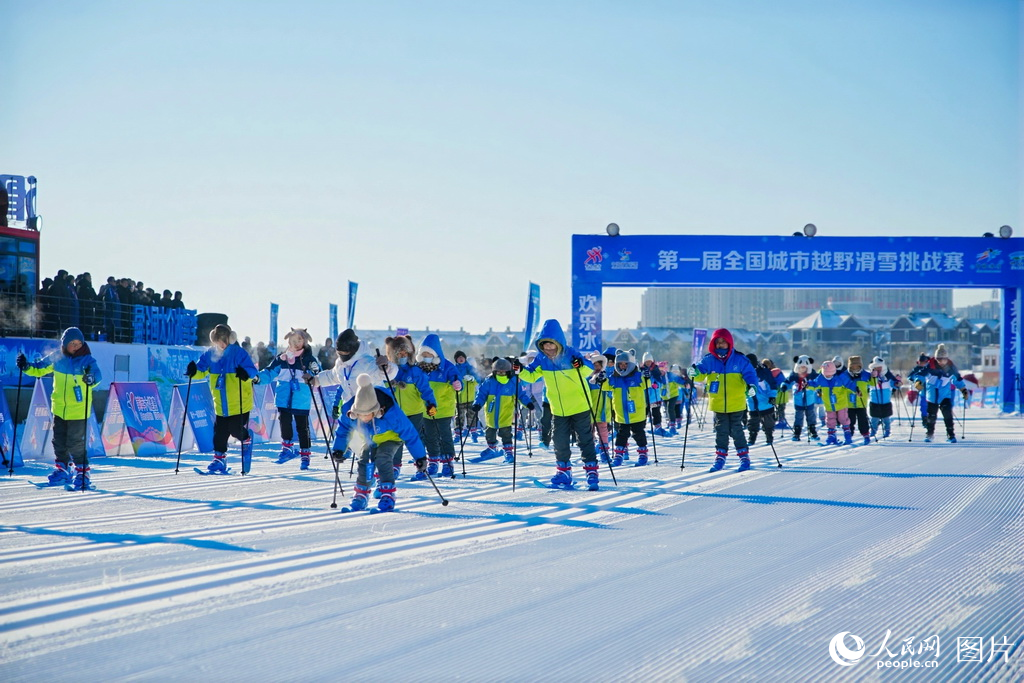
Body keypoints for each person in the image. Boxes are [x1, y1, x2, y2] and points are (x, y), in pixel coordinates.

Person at [518, 319, 601, 490]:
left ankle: (591, 471)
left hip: (580, 405)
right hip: (558, 409)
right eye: (545, 346)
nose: (548, 349)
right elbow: (532, 376)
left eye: (551, 345)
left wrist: (580, 364)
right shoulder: (541, 359)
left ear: (559, 342)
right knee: (559, 441)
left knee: (584, 439)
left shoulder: (571, 354)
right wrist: (520, 370)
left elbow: (587, 369)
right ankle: (564, 472)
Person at [18, 327, 102, 489]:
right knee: (59, 442)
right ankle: (63, 469)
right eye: (72, 343)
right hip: (59, 410)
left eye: (79, 343)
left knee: (76, 442)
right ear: (65, 344)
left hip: (78, 411)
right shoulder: (57, 357)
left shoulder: (87, 360)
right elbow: (40, 368)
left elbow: (97, 376)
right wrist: (26, 366)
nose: (76, 346)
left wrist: (91, 378)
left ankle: (83, 472)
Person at [332, 374, 427, 512]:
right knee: (364, 460)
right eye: (360, 415)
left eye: (367, 415)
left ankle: (388, 494)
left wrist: (420, 457)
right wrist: (338, 449)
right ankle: (361, 495)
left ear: (376, 411)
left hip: (391, 438)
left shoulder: (392, 413)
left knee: (383, 458)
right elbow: (343, 430)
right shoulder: (350, 411)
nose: (363, 418)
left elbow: (410, 435)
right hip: (370, 438)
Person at [185, 324, 260, 474]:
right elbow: (201, 370)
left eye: (224, 340)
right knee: (219, 434)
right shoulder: (210, 354)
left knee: (234, 429)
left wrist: (245, 374)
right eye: (218, 340)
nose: (221, 344)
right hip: (221, 404)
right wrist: (193, 371)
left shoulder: (239, 353)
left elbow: (252, 371)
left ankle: (246, 438)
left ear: (230, 339)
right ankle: (219, 459)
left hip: (240, 403)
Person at [689, 329, 762, 472]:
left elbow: (750, 375)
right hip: (718, 403)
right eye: (717, 343)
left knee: (737, 430)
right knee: (721, 431)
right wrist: (694, 372)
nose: (720, 345)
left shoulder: (740, 360)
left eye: (723, 342)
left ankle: (744, 457)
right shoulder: (709, 360)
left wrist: (752, 386)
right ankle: (720, 457)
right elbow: (699, 374)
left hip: (736, 402)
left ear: (729, 342)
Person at [259, 328, 318, 469]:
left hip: (301, 398)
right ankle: (287, 448)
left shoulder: (309, 358)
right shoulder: (282, 358)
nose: (296, 343)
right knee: (284, 422)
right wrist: (256, 378)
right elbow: (269, 372)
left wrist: (312, 374)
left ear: (304, 341)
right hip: (284, 396)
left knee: (302, 427)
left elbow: (317, 373)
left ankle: (305, 454)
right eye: (293, 340)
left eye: (299, 340)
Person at [385, 335, 436, 487]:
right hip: (395, 412)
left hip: (414, 411)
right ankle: (395, 466)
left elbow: (426, 390)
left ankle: (421, 465)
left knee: (416, 439)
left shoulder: (415, 372)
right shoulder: (387, 372)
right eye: (399, 354)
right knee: (395, 439)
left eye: (405, 354)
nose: (402, 357)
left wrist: (431, 404)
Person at [416, 334, 462, 478]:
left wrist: (458, 385)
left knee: (445, 436)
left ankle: (448, 462)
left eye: (429, 354)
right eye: (423, 354)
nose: (426, 356)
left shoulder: (447, 367)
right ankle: (433, 461)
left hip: (443, 408)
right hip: (426, 410)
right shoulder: (419, 368)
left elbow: (458, 380)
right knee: (430, 437)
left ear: (436, 353)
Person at [472, 358, 534, 463]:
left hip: (505, 414)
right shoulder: (489, 381)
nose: (501, 374)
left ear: (508, 372)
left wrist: (528, 403)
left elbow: (521, 395)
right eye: (499, 372)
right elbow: (481, 394)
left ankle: (508, 451)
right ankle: (492, 448)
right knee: (489, 433)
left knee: (506, 433)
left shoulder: (513, 382)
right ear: (494, 371)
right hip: (491, 414)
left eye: (503, 372)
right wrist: (477, 404)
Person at [606, 349, 651, 467]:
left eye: (626, 364)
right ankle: (619, 455)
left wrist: (647, 377)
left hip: (637, 413)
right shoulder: (614, 378)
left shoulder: (638, 376)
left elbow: (647, 385)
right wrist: (601, 379)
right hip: (621, 413)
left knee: (638, 433)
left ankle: (643, 453)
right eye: (620, 364)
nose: (623, 366)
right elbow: (605, 386)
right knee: (622, 434)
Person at [917, 344, 967, 443]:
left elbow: (957, 379)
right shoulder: (929, 366)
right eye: (939, 359)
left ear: (946, 359)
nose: (941, 361)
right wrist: (918, 382)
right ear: (936, 358)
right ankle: (929, 434)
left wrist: (963, 390)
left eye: (943, 359)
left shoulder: (951, 367)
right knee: (931, 416)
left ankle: (951, 435)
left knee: (947, 415)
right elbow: (920, 375)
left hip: (945, 395)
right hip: (932, 396)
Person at [808, 359, 858, 446]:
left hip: (841, 404)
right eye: (825, 374)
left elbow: (850, 384)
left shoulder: (840, 378)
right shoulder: (821, 378)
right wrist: (807, 384)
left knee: (843, 419)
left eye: (829, 374)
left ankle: (847, 436)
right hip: (829, 405)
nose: (827, 376)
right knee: (830, 421)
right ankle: (831, 436)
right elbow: (814, 384)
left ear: (833, 372)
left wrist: (856, 390)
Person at [745, 353, 779, 448]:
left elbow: (772, 384)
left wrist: (772, 396)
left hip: (765, 401)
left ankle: (769, 435)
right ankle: (752, 437)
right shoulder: (743, 372)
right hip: (752, 402)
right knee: (753, 421)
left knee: (768, 421)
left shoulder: (764, 372)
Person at [586, 352, 613, 462]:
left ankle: (604, 451)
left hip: (603, 408)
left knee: (603, 430)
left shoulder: (606, 376)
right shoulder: (587, 379)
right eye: (594, 365)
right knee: (589, 431)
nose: (596, 367)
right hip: (590, 409)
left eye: (598, 365)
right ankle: (590, 452)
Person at [787, 355, 820, 442]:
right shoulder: (794, 374)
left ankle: (812, 430)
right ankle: (797, 432)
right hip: (798, 399)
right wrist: (784, 386)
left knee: (810, 415)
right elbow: (787, 381)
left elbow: (819, 382)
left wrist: (818, 389)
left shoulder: (812, 374)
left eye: (804, 367)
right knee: (798, 416)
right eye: (801, 367)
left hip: (809, 398)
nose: (802, 369)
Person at [453, 350, 482, 443]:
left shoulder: (470, 368)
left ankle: (473, 433)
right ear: (456, 360)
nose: (461, 359)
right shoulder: (453, 369)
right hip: (459, 398)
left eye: (462, 357)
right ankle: (458, 434)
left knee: (471, 416)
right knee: (459, 417)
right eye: (459, 357)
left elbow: (478, 379)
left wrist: (472, 378)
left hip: (470, 397)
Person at [867, 357, 898, 439]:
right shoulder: (870, 377)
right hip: (874, 401)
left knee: (886, 418)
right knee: (874, 418)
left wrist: (897, 383)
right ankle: (873, 430)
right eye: (876, 367)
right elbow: (866, 385)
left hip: (885, 401)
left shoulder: (888, 377)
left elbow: (895, 384)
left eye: (879, 367)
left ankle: (887, 430)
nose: (878, 369)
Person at [844, 355, 872, 445]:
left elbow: (873, 383)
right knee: (849, 421)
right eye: (853, 366)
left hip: (861, 403)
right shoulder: (845, 375)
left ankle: (866, 435)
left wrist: (874, 377)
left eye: (857, 366)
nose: (855, 368)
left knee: (863, 421)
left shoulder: (866, 375)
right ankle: (848, 436)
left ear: (860, 366)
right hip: (849, 403)